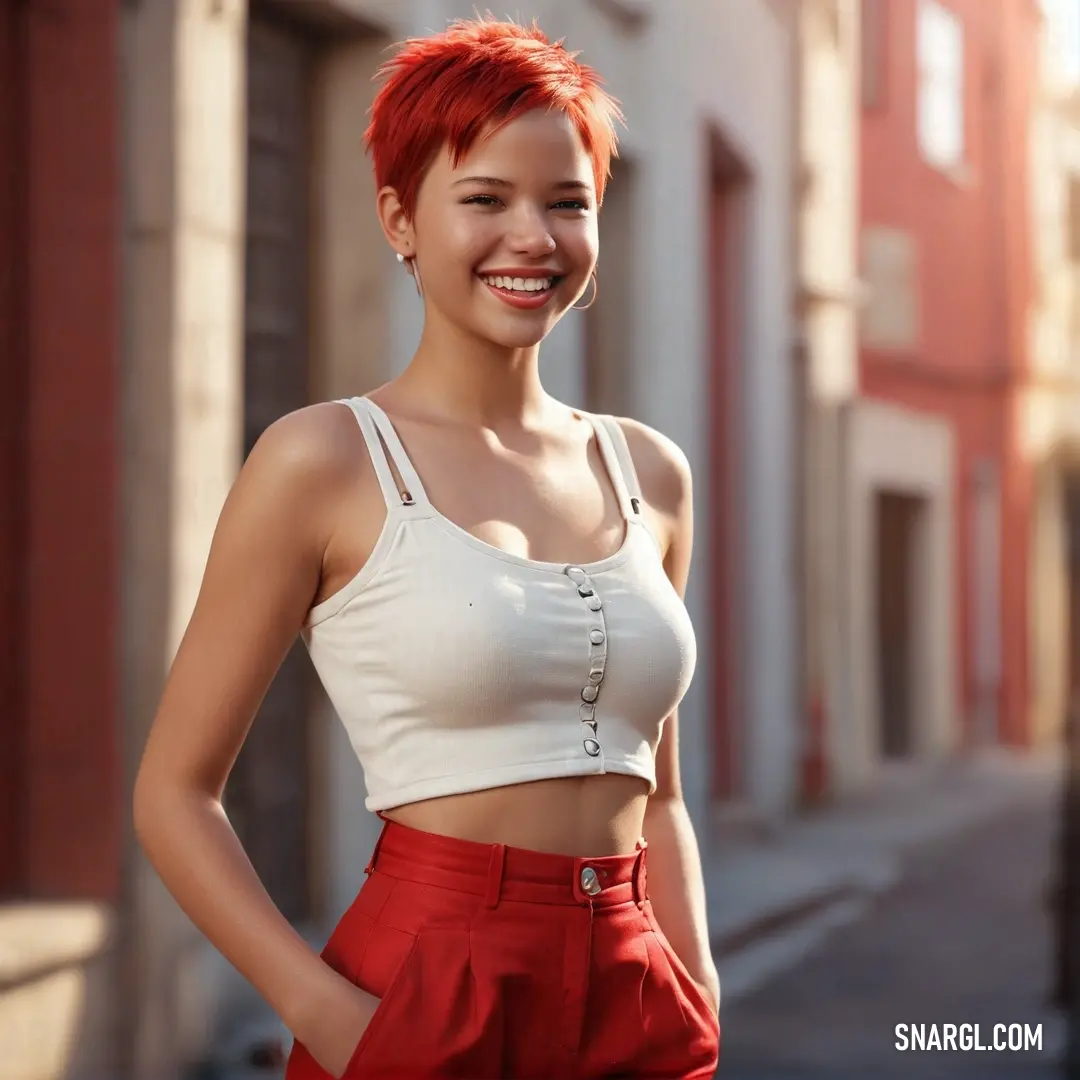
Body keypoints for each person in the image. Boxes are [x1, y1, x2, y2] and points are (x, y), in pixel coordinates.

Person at [133, 15, 720, 1080]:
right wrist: (329, 1015)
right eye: (486, 199)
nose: (533, 237)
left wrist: (696, 980)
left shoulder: (653, 473)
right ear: (401, 220)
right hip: (424, 986)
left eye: (567, 202)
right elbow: (174, 794)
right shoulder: (324, 461)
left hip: (639, 993)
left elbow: (661, 788)